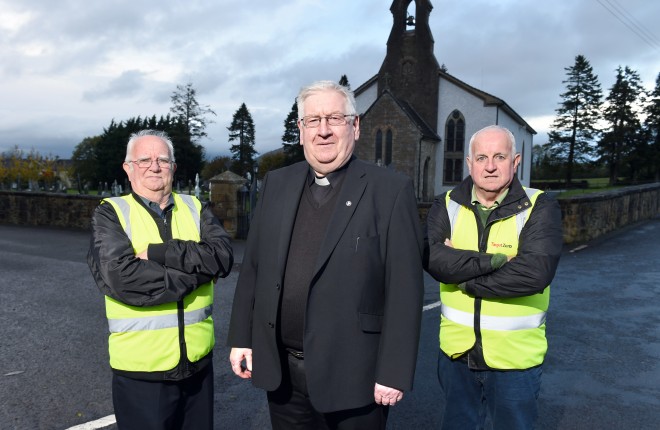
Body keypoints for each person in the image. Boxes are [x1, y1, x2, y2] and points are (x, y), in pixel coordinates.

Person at [227, 80, 424, 429]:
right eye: (312, 121)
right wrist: (242, 338)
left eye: (334, 118)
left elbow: (404, 292)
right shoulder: (277, 184)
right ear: (301, 131)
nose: (323, 131)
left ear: (355, 126)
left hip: (355, 379)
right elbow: (254, 270)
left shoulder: (390, 191)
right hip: (283, 376)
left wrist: (394, 371)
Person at [87, 129, 233, 430]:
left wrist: (160, 252)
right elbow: (123, 279)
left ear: (173, 167)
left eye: (162, 160)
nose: (154, 166)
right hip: (142, 373)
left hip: (198, 367)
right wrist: (201, 273)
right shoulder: (111, 214)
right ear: (128, 168)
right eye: (143, 160)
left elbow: (223, 256)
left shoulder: (196, 207)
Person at [424, 125, 563, 429]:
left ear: (515, 162)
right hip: (456, 356)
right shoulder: (445, 204)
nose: (489, 166)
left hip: (514, 362)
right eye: (482, 157)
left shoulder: (539, 206)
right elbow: (433, 259)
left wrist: (462, 276)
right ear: (469, 162)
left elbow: (533, 275)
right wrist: (501, 260)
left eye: (499, 157)